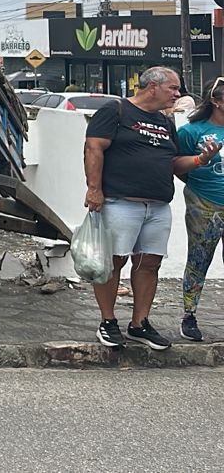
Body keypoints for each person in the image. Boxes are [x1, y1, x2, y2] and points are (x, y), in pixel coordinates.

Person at [85, 66, 221, 349]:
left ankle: (139, 323)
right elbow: (94, 148)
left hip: (158, 206)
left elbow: (173, 163)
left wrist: (200, 160)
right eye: (173, 88)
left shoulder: (165, 121)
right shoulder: (116, 110)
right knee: (113, 262)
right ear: (152, 86)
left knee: (149, 264)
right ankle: (108, 321)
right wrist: (94, 189)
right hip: (121, 202)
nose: (178, 94)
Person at [176, 76, 224, 341]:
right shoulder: (192, 131)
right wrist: (201, 160)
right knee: (198, 260)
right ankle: (189, 315)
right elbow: (176, 165)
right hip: (204, 203)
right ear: (216, 101)